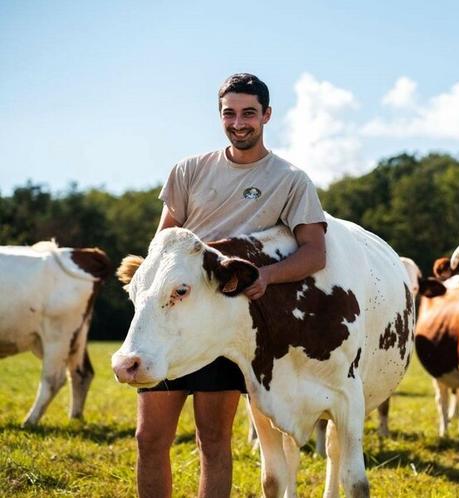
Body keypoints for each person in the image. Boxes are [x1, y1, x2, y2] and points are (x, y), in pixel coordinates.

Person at [135, 73, 327, 498]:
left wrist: (267, 276)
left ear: (267, 115)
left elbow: (315, 252)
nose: (238, 122)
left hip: (225, 324)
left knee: (214, 441)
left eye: (248, 113)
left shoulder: (290, 179)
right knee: (149, 438)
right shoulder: (188, 170)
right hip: (169, 319)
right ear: (220, 115)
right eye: (229, 113)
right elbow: (163, 243)